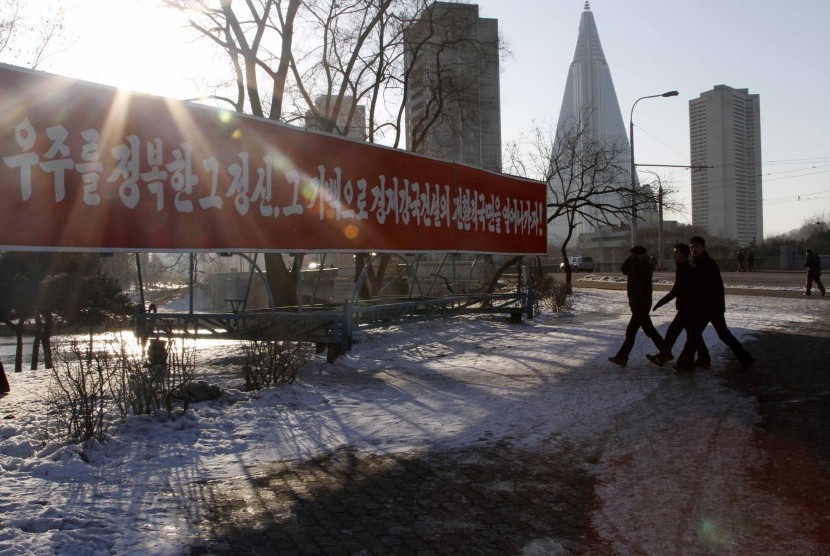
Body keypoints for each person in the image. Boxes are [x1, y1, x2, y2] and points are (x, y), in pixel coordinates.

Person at [675, 236, 755, 372]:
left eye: (696, 246)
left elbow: (704, 287)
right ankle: (744, 358)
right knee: (715, 334)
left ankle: (685, 363)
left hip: (709, 307)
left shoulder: (706, 263)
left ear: (703, 247)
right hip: (710, 306)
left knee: (696, 334)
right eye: (692, 246)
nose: (694, 249)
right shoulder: (699, 262)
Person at [646, 243, 710, 367]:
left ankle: (663, 357)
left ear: (683, 255)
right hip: (689, 308)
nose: (673, 255)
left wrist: (661, 302)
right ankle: (704, 358)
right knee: (693, 335)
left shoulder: (684, 269)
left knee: (673, 332)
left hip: (687, 308)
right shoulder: (683, 267)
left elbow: (677, 290)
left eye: (676, 253)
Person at [609, 245, 664, 367]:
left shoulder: (635, 263)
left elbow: (623, 269)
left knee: (631, 332)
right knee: (650, 331)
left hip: (638, 303)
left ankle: (621, 357)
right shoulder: (647, 263)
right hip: (644, 302)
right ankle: (666, 352)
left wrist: (630, 259)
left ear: (634, 254)